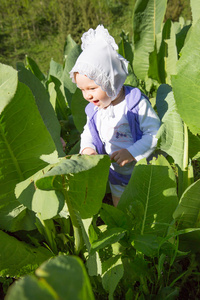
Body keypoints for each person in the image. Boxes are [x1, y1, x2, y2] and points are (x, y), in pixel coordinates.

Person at [69, 25, 160, 207]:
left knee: (146, 204)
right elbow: (88, 133)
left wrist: (132, 152)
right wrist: (88, 148)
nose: (87, 95)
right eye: (82, 90)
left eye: (92, 88)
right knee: (120, 203)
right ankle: (125, 229)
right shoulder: (95, 110)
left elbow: (155, 133)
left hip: (142, 170)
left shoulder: (134, 104)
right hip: (116, 172)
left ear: (110, 80)